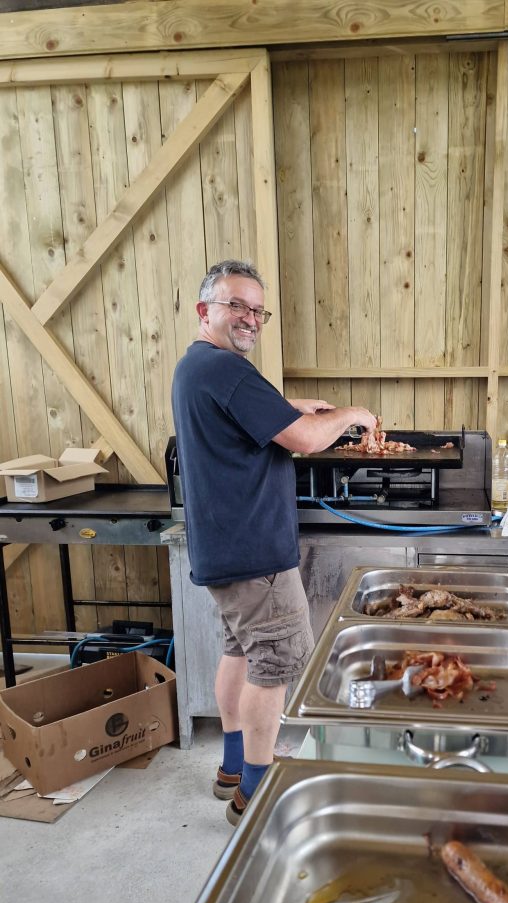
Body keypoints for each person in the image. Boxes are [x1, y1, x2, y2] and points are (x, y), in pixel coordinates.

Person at [171, 259, 377, 825]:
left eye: (257, 310)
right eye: (236, 305)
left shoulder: (197, 366)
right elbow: (306, 440)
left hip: (223, 550)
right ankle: (255, 794)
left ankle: (233, 767)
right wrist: (351, 414)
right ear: (204, 309)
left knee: (239, 652)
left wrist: (292, 407)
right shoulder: (227, 370)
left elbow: (257, 415)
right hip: (256, 555)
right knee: (275, 665)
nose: (249, 318)